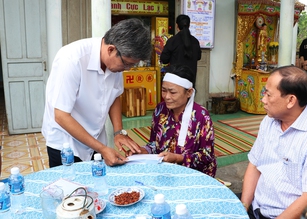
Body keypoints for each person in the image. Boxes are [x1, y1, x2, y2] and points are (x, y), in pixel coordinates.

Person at [42, 18, 152, 168]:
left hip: (95, 139)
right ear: (111, 49)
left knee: (96, 186)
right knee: (70, 189)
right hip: (66, 144)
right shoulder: (71, 59)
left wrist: (118, 131)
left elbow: (115, 95)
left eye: (132, 65)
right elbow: (61, 116)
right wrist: (102, 149)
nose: (127, 69)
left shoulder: (115, 62)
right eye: (127, 63)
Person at [240, 66, 307, 219]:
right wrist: (243, 207)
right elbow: (254, 164)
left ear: (291, 100)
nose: (263, 99)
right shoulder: (269, 121)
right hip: (256, 207)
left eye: (268, 94)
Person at [126, 64, 217, 177]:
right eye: (164, 90)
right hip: (164, 170)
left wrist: (178, 158)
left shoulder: (201, 116)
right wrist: (143, 151)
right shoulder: (160, 110)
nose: (167, 96)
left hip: (194, 175)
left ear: (188, 92)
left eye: (173, 92)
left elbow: (207, 156)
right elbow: (155, 143)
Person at [160, 14, 201, 86]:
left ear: (177, 26)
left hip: (176, 81)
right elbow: (198, 57)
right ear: (189, 26)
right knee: (189, 96)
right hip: (190, 81)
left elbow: (164, 59)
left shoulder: (172, 41)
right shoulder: (195, 41)